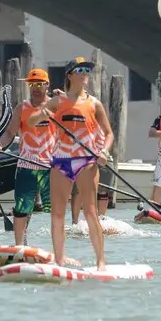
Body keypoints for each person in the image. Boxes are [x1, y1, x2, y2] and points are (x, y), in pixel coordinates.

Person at [27, 58, 113, 268]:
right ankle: (59, 259)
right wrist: (43, 112)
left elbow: (109, 133)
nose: (85, 74)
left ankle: (100, 262)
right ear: (70, 75)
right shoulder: (58, 101)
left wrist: (104, 151)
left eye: (87, 71)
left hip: (87, 161)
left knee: (90, 212)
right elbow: (30, 122)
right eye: (80, 70)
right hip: (61, 162)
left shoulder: (94, 103)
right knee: (57, 212)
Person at [0, 69, 54, 245]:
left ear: (47, 85)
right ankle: (20, 246)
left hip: (50, 167)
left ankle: (58, 251)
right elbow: (10, 132)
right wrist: (0, 145)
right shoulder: (22, 108)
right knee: (22, 208)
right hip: (26, 166)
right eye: (32, 84)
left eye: (39, 84)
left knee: (54, 210)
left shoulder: (55, 106)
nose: (35, 88)